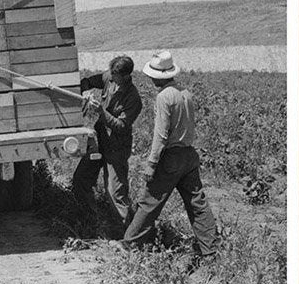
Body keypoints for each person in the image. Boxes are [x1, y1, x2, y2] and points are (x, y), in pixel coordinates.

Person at [122, 50, 218, 256]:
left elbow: (161, 134)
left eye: (151, 75)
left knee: (149, 202)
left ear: (158, 76)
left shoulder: (164, 96)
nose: (149, 78)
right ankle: (211, 250)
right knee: (197, 203)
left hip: (171, 158)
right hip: (189, 155)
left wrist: (151, 163)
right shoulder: (185, 93)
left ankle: (130, 245)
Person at [72, 55, 142, 230]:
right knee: (81, 179)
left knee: (115, 192)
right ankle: (93, 221)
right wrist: (86, 91)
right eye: (111, 73)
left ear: (126, 76)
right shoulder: (108, 77)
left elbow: (121, 125)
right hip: (99, 141)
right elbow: (87, 82)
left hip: (117, 148)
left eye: (115, 75)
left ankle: (128, 235)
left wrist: (101, 112)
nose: (111, 77)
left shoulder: (133, 98)